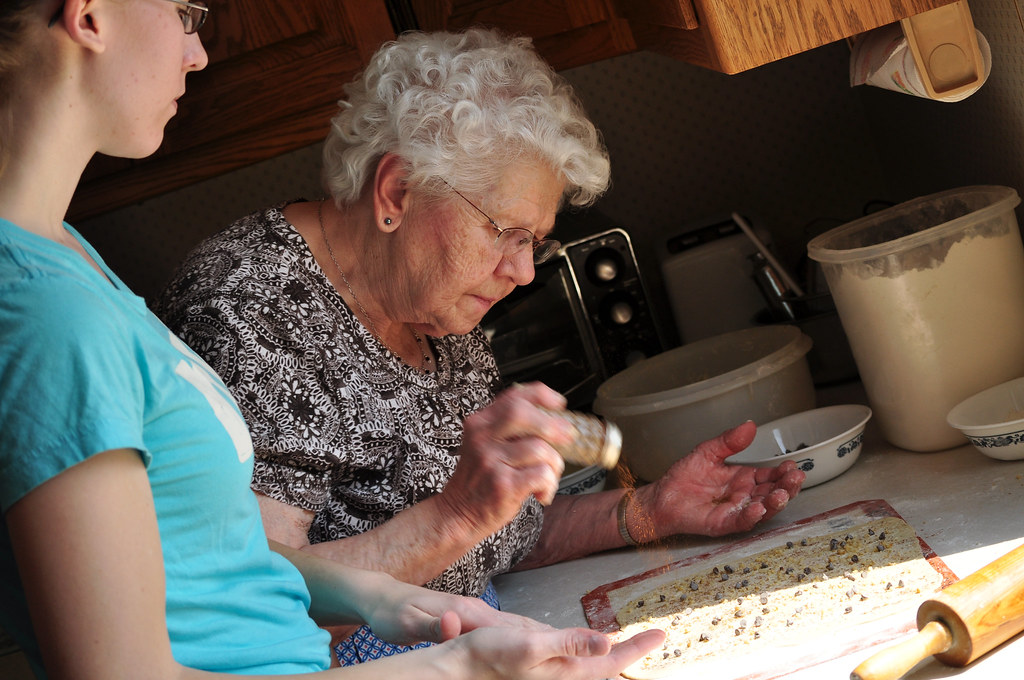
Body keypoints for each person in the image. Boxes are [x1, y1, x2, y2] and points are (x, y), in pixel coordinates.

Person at [0, 2, 666, 679]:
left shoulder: (71, 260)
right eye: (183, 9)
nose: (197, 52)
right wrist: (459, 663)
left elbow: (232, 569)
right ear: (88, 14)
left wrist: (393, 600)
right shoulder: (64, 309)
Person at [156, 27, 806, 664]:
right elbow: (254, 617)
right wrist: (458, 514)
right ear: (397, 192)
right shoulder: (249, 314)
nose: (522, 272)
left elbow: (486, 537)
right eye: (507, 232)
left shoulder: (431, 307)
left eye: (535, 242)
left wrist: (647, 511)